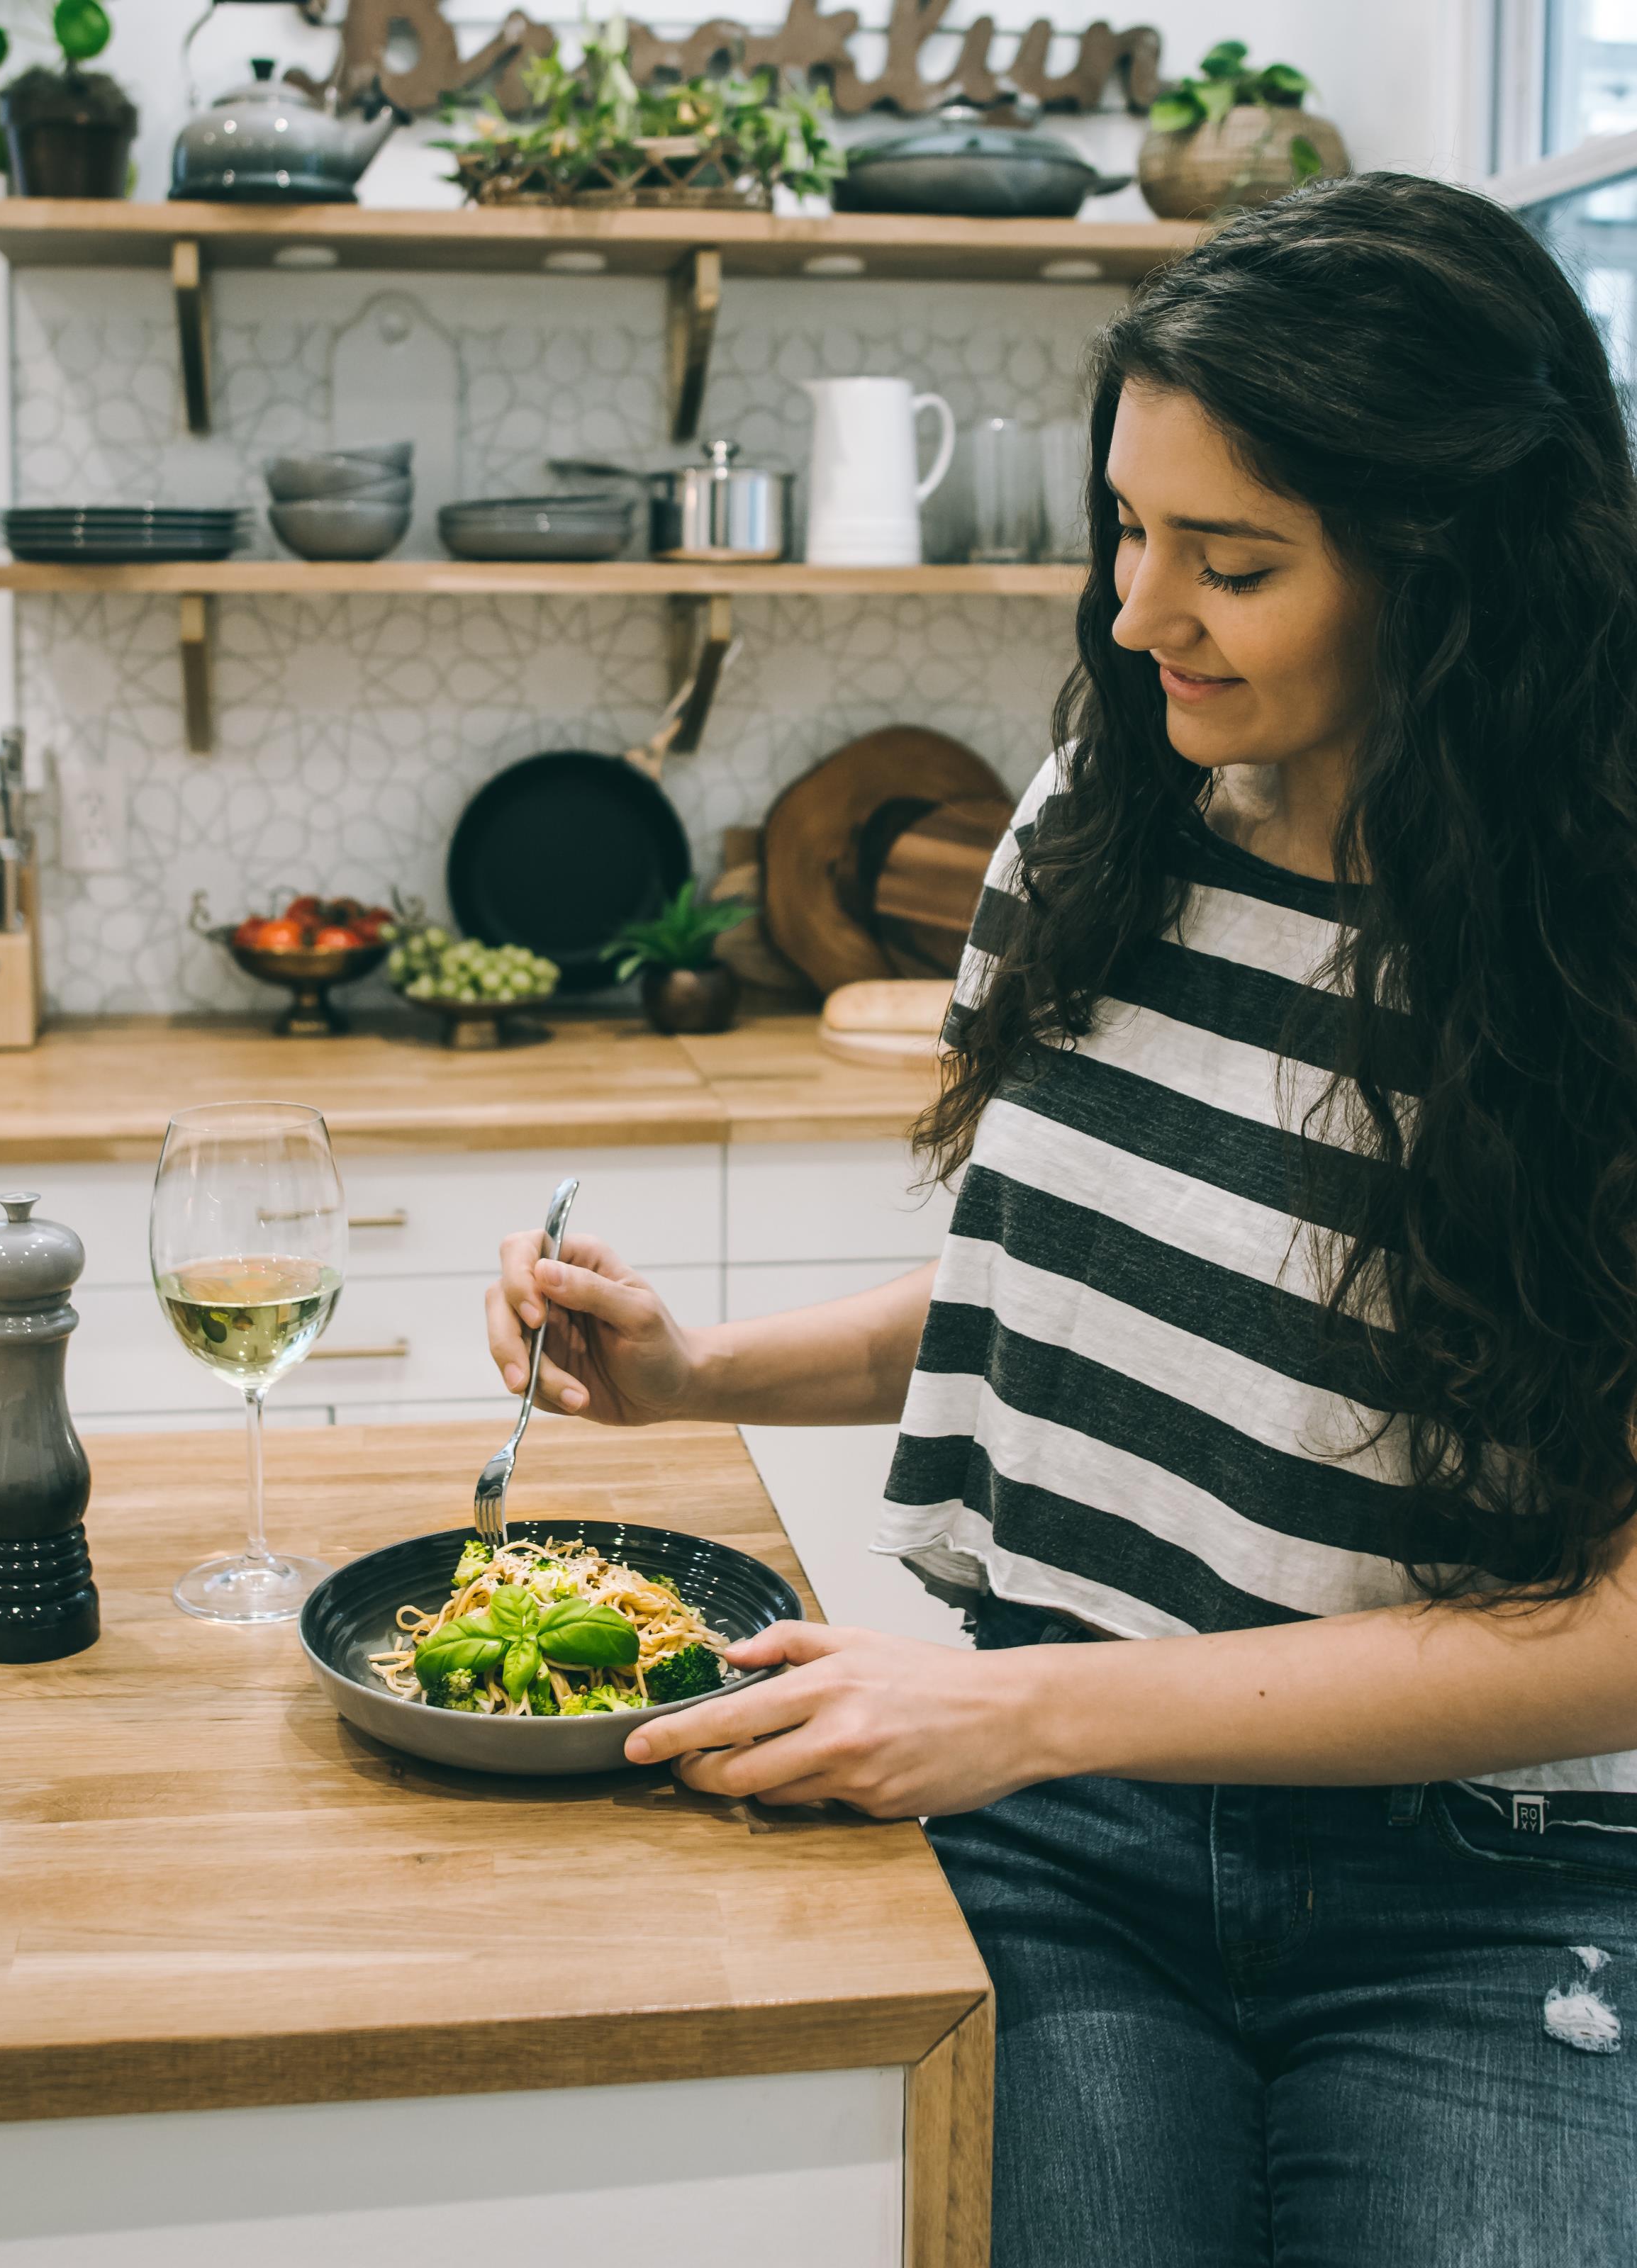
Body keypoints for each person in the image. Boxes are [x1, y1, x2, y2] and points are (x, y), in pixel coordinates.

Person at [483, 173, 1637, 2265]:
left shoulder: (1596, 956)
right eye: (1127, 528)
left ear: (1454, 567)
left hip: (1488, 1887)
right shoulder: (1101, 825)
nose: (1134, 611)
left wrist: (1015, 1710)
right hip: (1067, 1839)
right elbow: (1103, 1279)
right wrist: (693, 1374)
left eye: (1232, 562)